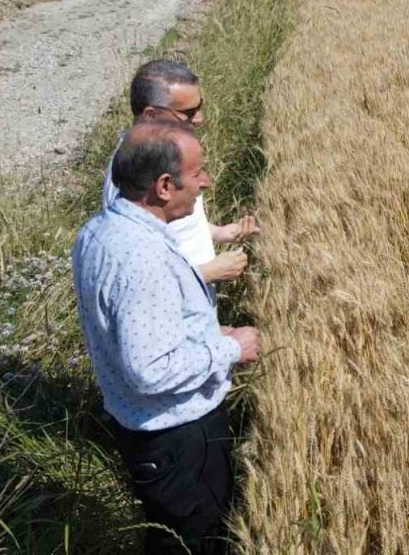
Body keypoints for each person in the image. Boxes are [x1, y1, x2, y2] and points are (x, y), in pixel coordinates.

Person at [73, 119, 261, 554]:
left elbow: (135, 329)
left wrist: (208, 331)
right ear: (163, 186)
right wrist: (232, 347)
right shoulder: (142, 257)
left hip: (145, 432)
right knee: (195, 541)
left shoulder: (99, 231)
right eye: (197, 174)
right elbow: (151, 371)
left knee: (170, 534)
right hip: (177, 436)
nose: (206, 183)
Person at [102, 59, 260, 284]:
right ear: (151, 115)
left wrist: (220, 233)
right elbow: (134, 278)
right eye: (188, 112)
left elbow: (176, 226)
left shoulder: (168, 156)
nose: (200, 119)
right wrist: (207, 274)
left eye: (200, 106)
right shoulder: (131, 177)